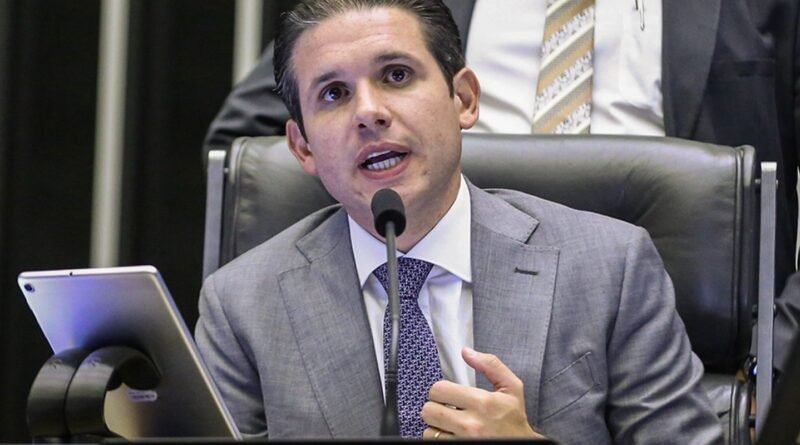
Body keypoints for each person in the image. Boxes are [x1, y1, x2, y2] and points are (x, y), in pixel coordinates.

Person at [195, 0, 723, 442]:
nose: (369, 112)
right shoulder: (241, 306)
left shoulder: (610, 267)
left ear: (465, 99)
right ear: (302, 147)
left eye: (396, 75)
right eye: (334, 94)